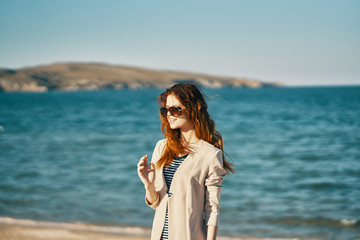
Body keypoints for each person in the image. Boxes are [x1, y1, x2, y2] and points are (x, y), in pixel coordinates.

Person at [137, 83, 234, 240]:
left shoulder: (210, 155)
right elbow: (156, 204)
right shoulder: (161, 148)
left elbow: (212, 209)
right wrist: (148, 185)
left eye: (174, 109)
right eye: (165, 110)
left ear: (192, 109)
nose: (169, 115)